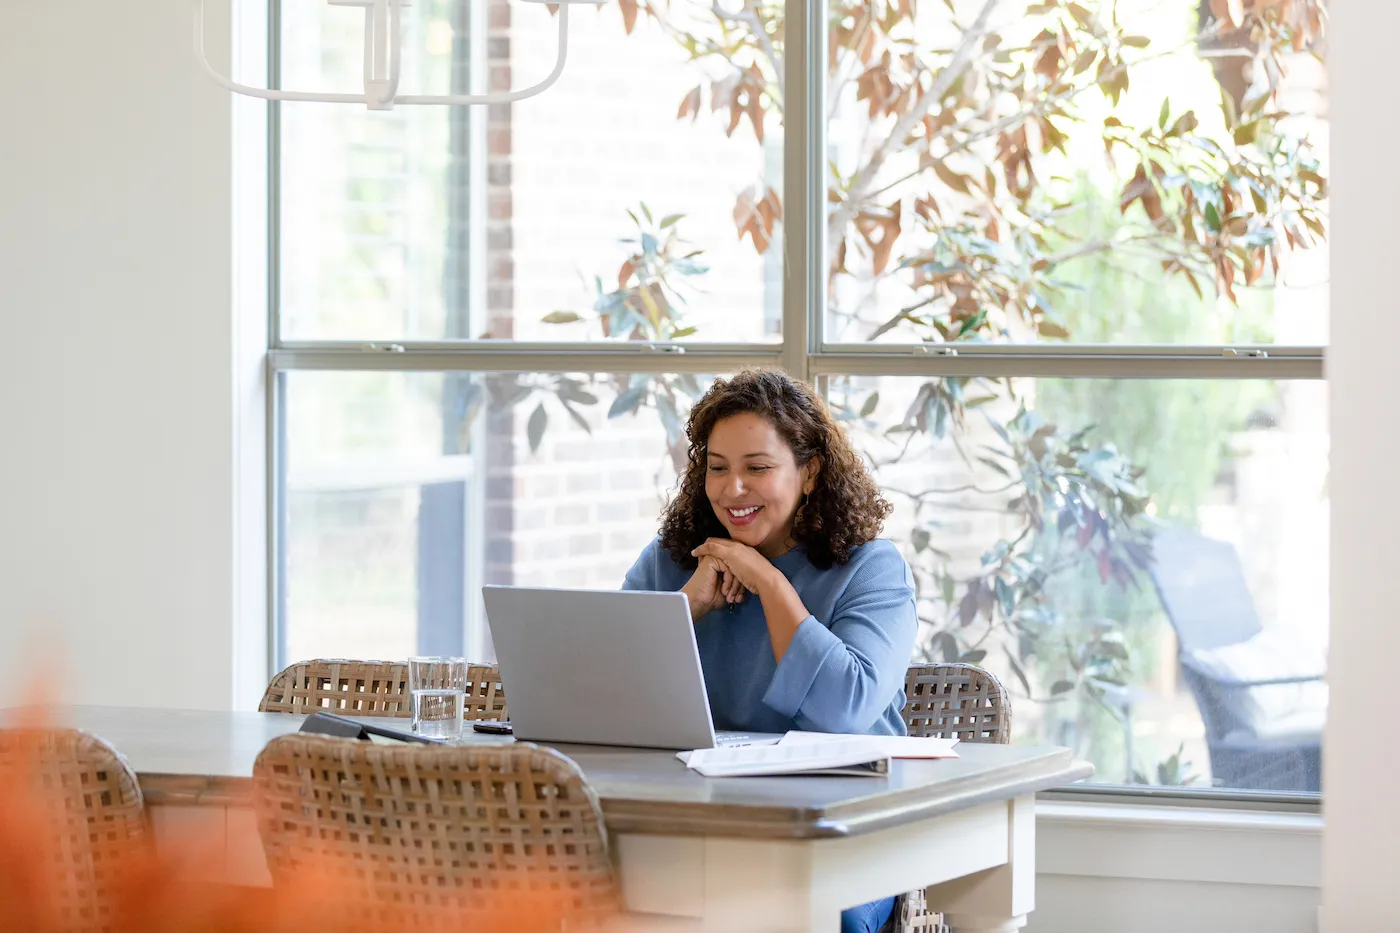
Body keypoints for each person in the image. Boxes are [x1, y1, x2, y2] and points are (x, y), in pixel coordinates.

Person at [623, 369, 917, 933]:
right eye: (717, 468)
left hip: (844, 836)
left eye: (757, 468)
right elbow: (608, 693)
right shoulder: (672, 562)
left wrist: (771, 583)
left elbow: (846, 711)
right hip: (696, 829)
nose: (732, 489)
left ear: (809, 472)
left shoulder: (873, 570)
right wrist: (687, 606)